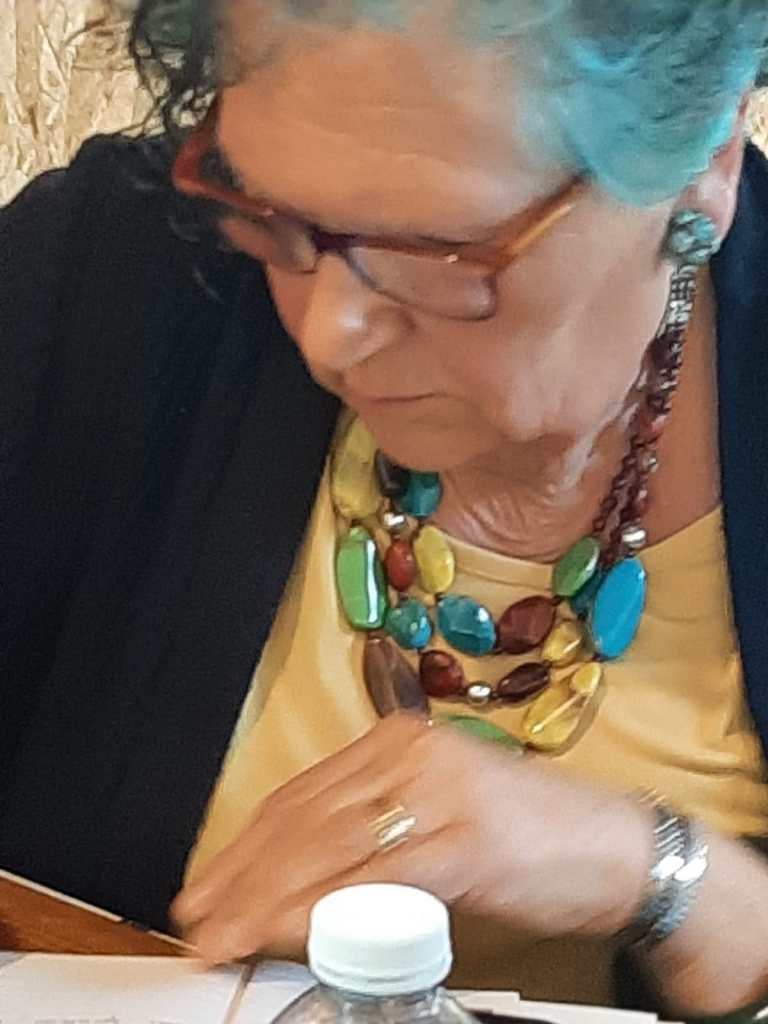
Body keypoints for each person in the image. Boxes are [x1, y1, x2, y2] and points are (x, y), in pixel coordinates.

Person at [1, 0, 768, 1017]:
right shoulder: (104, 274)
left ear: (704, 162)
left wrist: (664, 877)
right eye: (269, 210)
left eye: (438, 249)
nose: (331, 333)